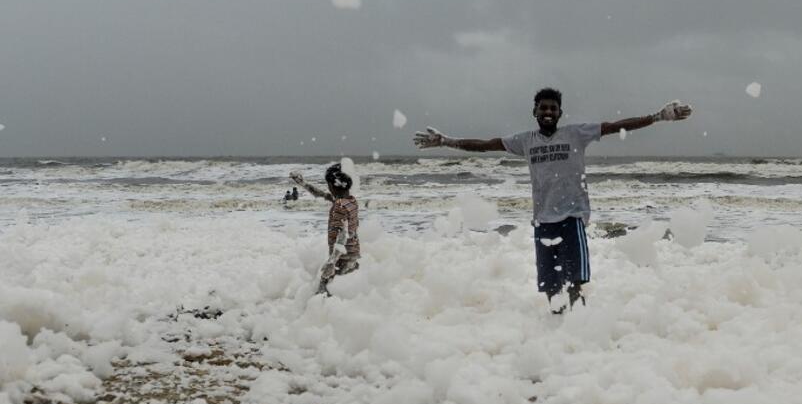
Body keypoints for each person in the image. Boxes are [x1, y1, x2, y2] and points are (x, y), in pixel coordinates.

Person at [413, 88, 692, 312]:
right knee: (550, 286)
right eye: (543, 108)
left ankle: (579, 331)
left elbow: (616, 126)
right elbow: (485, 145)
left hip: (572, 219)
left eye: (553, 108)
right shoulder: (525, 140)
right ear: (534, 112)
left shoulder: (575, 133)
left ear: (560, 112)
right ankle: (557, 333)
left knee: (576, 281)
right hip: (543, 221)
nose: (548, 112)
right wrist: (446, 141)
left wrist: (657, 116)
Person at [289, 163, 360, 295]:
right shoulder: (350, 201)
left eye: (328, 184)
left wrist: (331, 262)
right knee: (343, 295)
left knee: (324, 290)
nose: (328, 188)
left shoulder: (339, 206)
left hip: (341, 259)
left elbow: (342, 233)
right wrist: (302, 183)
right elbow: (320, 194)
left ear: (333, 186)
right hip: (353, 255)